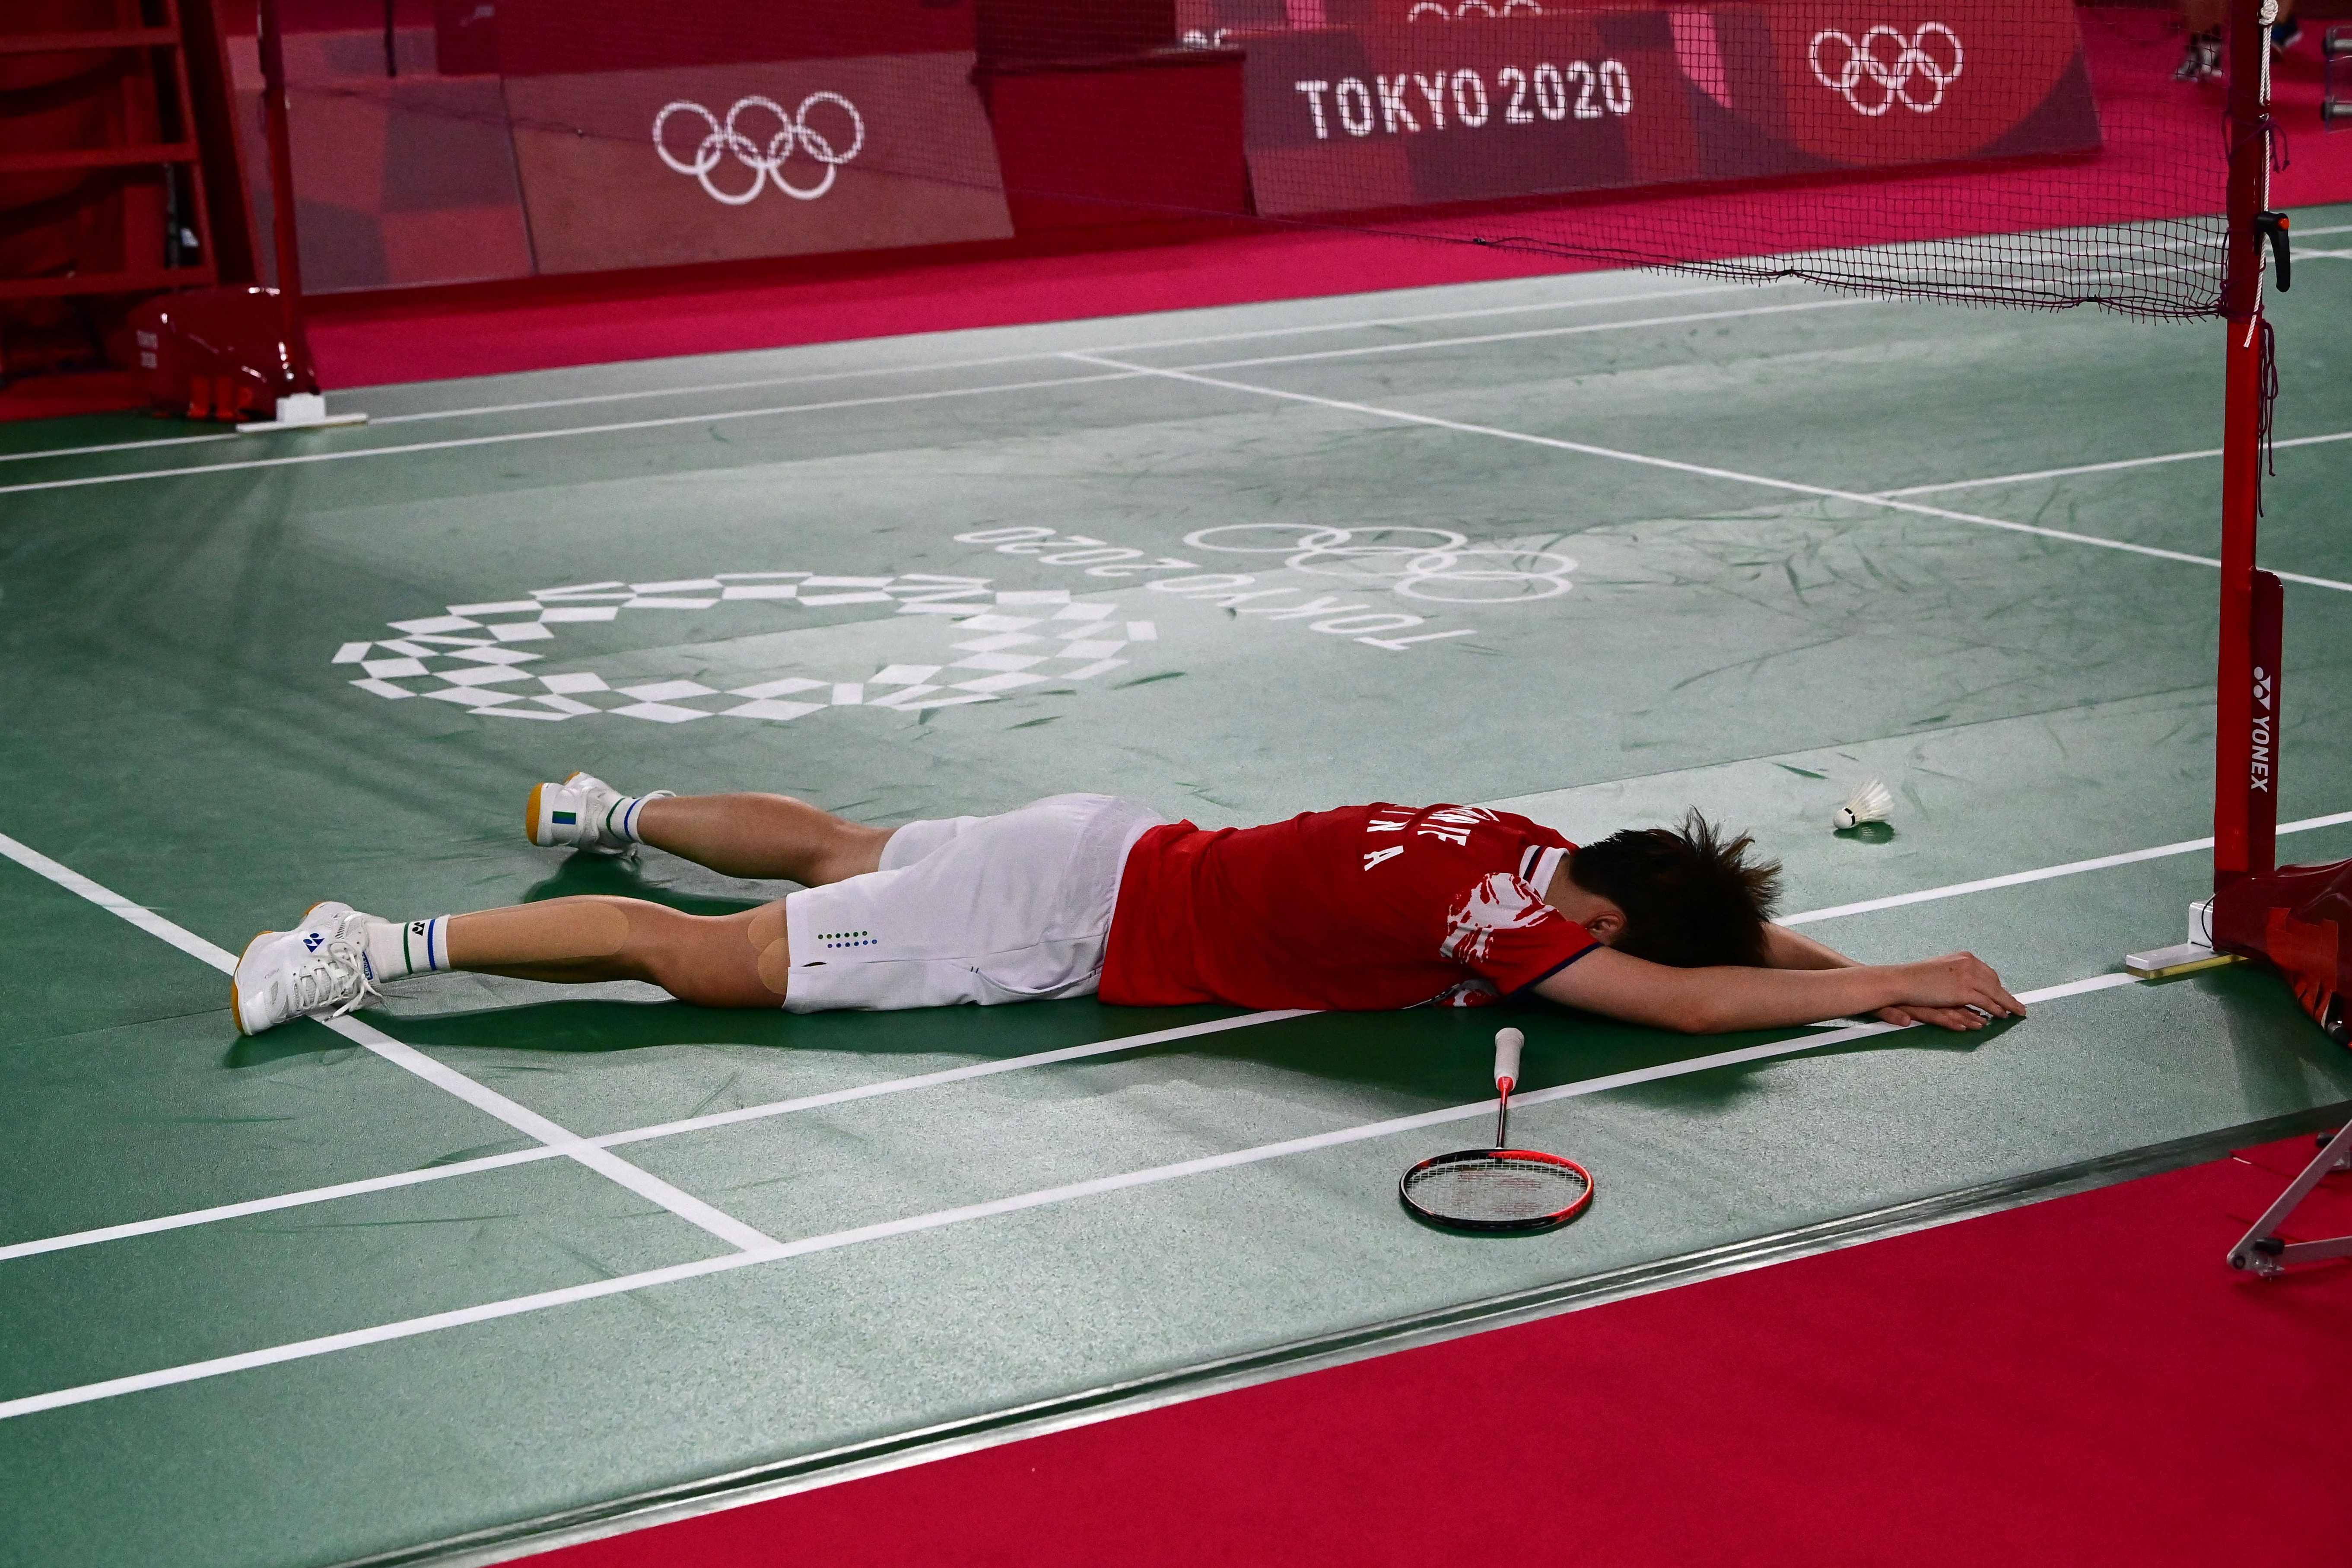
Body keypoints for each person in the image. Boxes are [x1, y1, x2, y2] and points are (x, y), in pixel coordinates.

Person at [229, 774, 2025, 1038]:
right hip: (1068, 929)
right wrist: (1878, 984)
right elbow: (1697, 998)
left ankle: (604, 802)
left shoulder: (1533, 841)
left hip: (1098, 833)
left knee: (845, 844)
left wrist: (1864, 952)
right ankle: (366, 946)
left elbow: (1691, 934)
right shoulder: (1515, 933)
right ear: (1599, 922)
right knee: (691, 961)